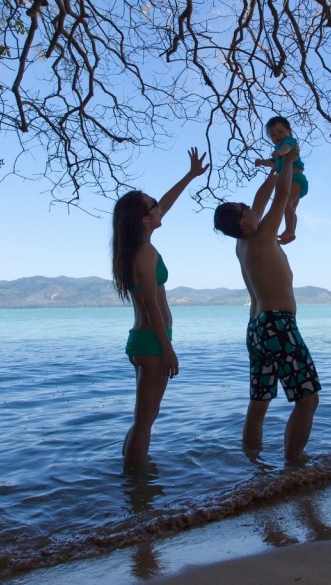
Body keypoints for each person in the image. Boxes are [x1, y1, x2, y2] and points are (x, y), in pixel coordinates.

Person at [214, 145, 321, 462]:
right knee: (308, 398)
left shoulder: (243, 244)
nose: (251, 206)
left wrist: (273, 169)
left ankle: (253, 467)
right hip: (279, 325)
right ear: (244, 221)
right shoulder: (261, 236)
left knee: (259, 401)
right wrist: (287, 163)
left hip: (257, 329)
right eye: (245, 208)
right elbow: (281, 196)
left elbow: (262, 198)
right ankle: (294, 462)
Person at [113, 147, 208, 470]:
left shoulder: (135, 248)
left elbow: (165, 204)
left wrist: (191, 176)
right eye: (154, 207)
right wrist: (167, 350)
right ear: (144, 218)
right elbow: (153, 305)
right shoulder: (145, 253)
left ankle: (133, 481)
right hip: (153, 342)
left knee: (142, 418)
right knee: (145, 421)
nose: (160, 209)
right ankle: (137, 490)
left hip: (142, 341)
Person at [253, 115, 307, 244]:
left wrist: (281, 152)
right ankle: (291, 231)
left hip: (295, 178)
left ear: (289, 131)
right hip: (290, 180)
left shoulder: (288, 142)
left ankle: (289, 229)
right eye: (273, 135)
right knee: (291, 208)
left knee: (285, 204)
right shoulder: (277, 151)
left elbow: (287, 148)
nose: (277, 136)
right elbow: (273, 163)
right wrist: (261, 162)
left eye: (280, 131)